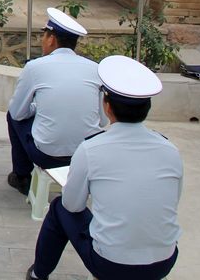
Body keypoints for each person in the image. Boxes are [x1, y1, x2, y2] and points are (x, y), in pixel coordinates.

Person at [26, 55, 183, 280]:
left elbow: (73, 205)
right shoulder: (170, 150)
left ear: (107, 106)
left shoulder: (91, 149)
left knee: (60, 208)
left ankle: (38, 274)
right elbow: (172, 199)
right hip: (163, 262)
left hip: (111, 265)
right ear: (147, 108)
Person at [6, 7, 105, 195]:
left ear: (51, 39)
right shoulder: (95, 69)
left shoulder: (35, 67)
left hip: (47, 155)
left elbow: (18, 112)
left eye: (44, 36)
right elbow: (103, 120)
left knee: (12, 116)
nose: (42, 41)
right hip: (86, 154)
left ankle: (21, 175)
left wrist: (37, 109)